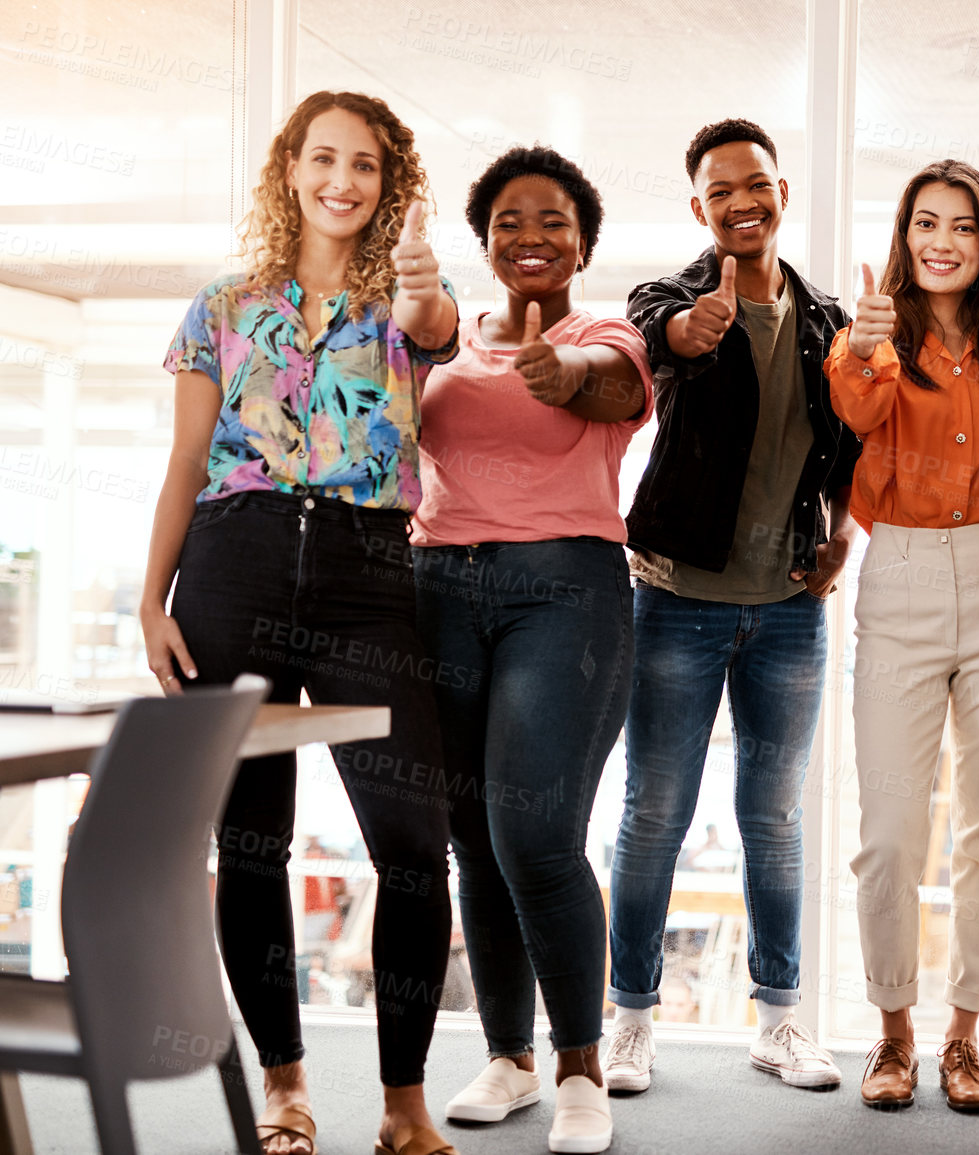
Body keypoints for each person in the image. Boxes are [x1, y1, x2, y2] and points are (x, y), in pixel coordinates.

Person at [140, 90, 460, 1155]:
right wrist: (153, 600)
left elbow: (438, 328)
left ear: (389, 183)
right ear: (291, 171)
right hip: (233, 566)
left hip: (371, 571)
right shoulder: (222, 306)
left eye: (365, 165)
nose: (342, 181)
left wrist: (419, 282)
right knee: (251, 842)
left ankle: (404, 1100)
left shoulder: (410, 305)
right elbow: (188, 463)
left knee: (415, 845)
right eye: (323, 159)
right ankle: (284, 1086)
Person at [604, 118, 859, 1094]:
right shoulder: (669, 298)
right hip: (673, 600)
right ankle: (629, 1020)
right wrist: (684, 333)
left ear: (782, 193)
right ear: (701, 208)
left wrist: (843, 534)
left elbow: (850, 448)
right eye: (721, 191)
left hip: (790, 609)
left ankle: (781, 1021)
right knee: (653, 812)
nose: (742, 201)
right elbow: (650, 339)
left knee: (775, 818)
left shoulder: (829, 320)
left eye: (756, 184)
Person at [413, 146, 650, 1153]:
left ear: (583, 242)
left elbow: (604, 388)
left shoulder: (611, 336)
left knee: (536, 837)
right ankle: (507, 1057)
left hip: (565, 593)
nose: (531, 238)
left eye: (552, 221)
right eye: (509, 222)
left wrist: (560, 370)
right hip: (439, 587)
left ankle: (580, 1070)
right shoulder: (449, 340)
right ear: (486, 242)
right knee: (472, 834)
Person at [830, 159, 979, 1112]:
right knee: (889, 835)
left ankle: (962, 1037)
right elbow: (857, 409)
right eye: (925, 223)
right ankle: (890, 1033)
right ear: (904, 238)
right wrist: (865, 344)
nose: (941, 241)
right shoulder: (872, 341)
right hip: (897, 583)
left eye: (962, 227)